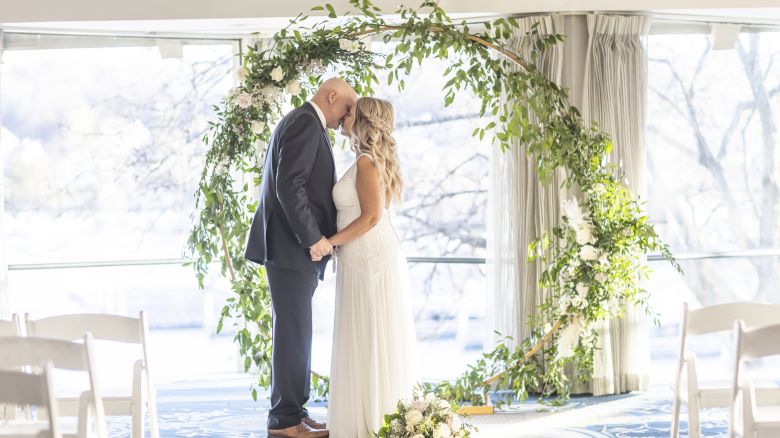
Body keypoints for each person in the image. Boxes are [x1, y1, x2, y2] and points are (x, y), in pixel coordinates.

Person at [245, 77, 357, 438]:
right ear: (331, 95)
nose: (346, 117)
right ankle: (285, 421)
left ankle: (295, 412)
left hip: (289, 249)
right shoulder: (306, 123)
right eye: (346, 108)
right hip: (293, 248)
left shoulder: (302, 122)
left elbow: (294, 184)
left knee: (296, 332)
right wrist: (313, 239)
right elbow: (289, 184)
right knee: (293, 334)